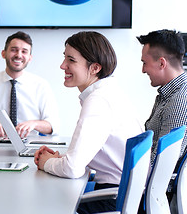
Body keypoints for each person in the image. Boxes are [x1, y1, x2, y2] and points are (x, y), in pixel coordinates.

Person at [34, 31, 143, 213]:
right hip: (125, 195)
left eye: (71, 60)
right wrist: (58, 159)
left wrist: (45, 163)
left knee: (40, 203)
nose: (63, 66)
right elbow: (82, 157)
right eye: (64, 58)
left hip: (112, 199)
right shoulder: (109, 92)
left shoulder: (98, 101)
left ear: (95, 68)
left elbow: (72, 169)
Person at [0, 31, 59, 138]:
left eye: (24, 51)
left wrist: (34, 124)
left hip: (31, 145)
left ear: (29, 57)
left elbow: (53, 126)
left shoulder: (41, 85)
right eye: (14, 50)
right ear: (3, 53)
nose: (19, 55)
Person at [137, 29, 187, 209]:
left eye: (145, 63)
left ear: (161, 63)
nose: (143, 70)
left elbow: (163, 162)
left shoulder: (179, 101)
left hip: (155, 197)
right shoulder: (168, 94)